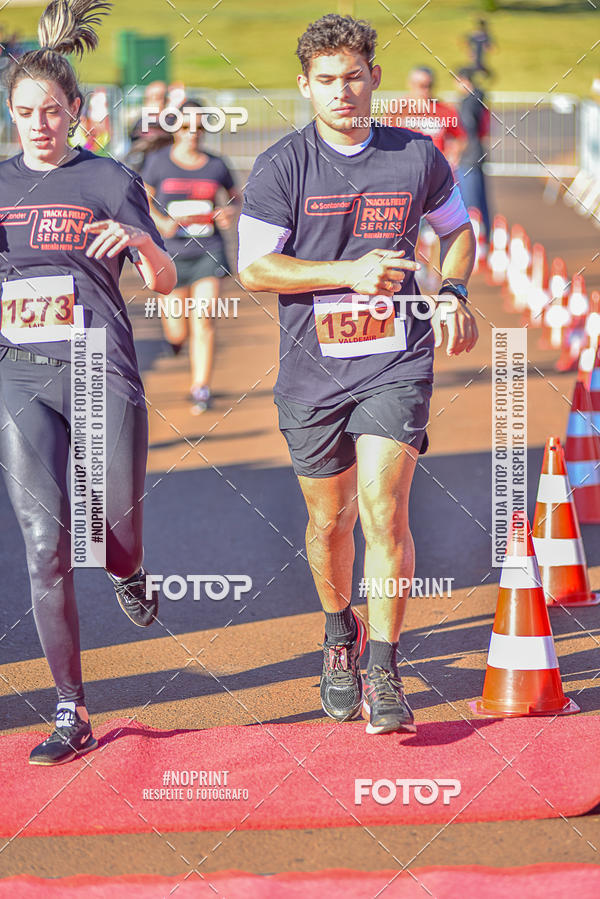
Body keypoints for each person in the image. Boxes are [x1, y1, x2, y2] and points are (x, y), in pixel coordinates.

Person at [238, 14, 477, 735]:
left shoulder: (416, 156)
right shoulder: (282, 165)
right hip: (312, 370)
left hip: (395, 360)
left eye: (352, 77)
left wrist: (452, 292)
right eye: (326, 80)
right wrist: (348, 272)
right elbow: (254, 269)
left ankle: (384, 665)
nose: (341, 91)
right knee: (329, 519)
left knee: (384, 509)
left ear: (374, 77)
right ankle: (338, 631)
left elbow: (458, 231)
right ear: (304, 86)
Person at [0, 0, 176, 766]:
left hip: (100, 367)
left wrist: (140, 240)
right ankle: (71, 709)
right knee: (45, 543)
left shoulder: (108, 178)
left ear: (76, 109)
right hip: (21, 376)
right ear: (10, 113)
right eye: (23, 112)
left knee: (112, 537)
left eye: (51, 110)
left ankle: (130, 570)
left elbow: (164, 281)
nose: (38, 124)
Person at [143, 101, 240, 413]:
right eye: (186, 127)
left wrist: (228, 212)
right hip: (169, 255)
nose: (193, 133)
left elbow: (236, 198)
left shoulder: (216, 165)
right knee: (177, 330)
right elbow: (143, 198)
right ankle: (175, 343)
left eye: (199, 127)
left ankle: (201, 388)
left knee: (204, 319)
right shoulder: (158, 162)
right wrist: (161, 222)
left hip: (208, 252)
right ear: (175, 129)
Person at [393, 66, 467, 292]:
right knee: (408, 228)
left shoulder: (444, 110)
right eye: (419, 85)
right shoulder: (398, 111)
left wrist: (453, 155)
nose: (423, 90)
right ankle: (415, 269)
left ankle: (435, 273)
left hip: (437, 181)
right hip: (406, 180)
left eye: (427, 86)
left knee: (440, 230)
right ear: (410, 85)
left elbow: (460, 137)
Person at [456, 67, 491, 242]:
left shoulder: (468, 102)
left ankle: (476, 242)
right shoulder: (479, 98)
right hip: (477, 154)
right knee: (480, 201)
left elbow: (466, 129)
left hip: (468, 157)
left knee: (471, 204)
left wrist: (458, 149)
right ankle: (486, 237)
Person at [126, 80, 173, 172]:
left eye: (157, 97)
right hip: (144, 170)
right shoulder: (139, 123)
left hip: (165, 170)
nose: (152, 102)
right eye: (148, 98)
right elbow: (133, 148)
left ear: (166, 100)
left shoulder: (173, 123)